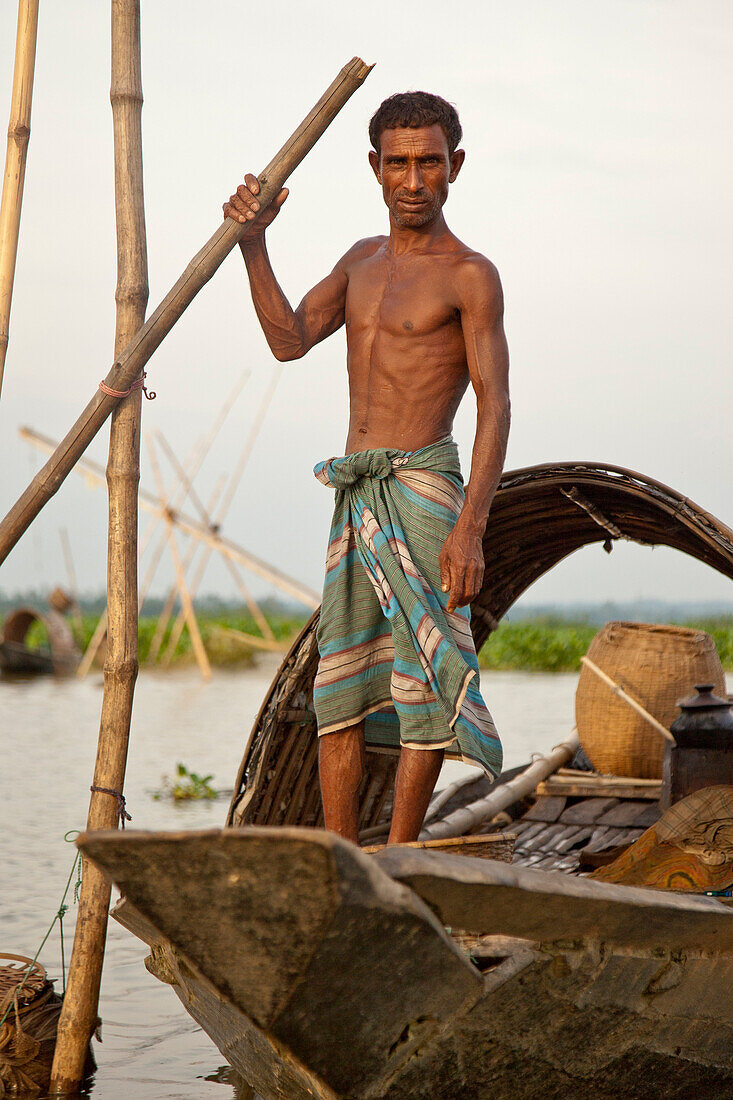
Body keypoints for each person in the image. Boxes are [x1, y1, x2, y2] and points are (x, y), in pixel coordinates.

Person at [223, 91, 509, 844]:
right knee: (340, 680)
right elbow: (287, 339)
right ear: (374, 168)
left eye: (430, 163)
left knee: (424, 672)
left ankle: (399, 853)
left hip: (423, 488)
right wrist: (252, 242)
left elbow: (494, 405)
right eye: (399, 163)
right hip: (355, 492)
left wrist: (470, 528)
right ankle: (341, 854)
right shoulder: (359, 262)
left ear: (456, 167)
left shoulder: (469, 275)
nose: (413, 180)